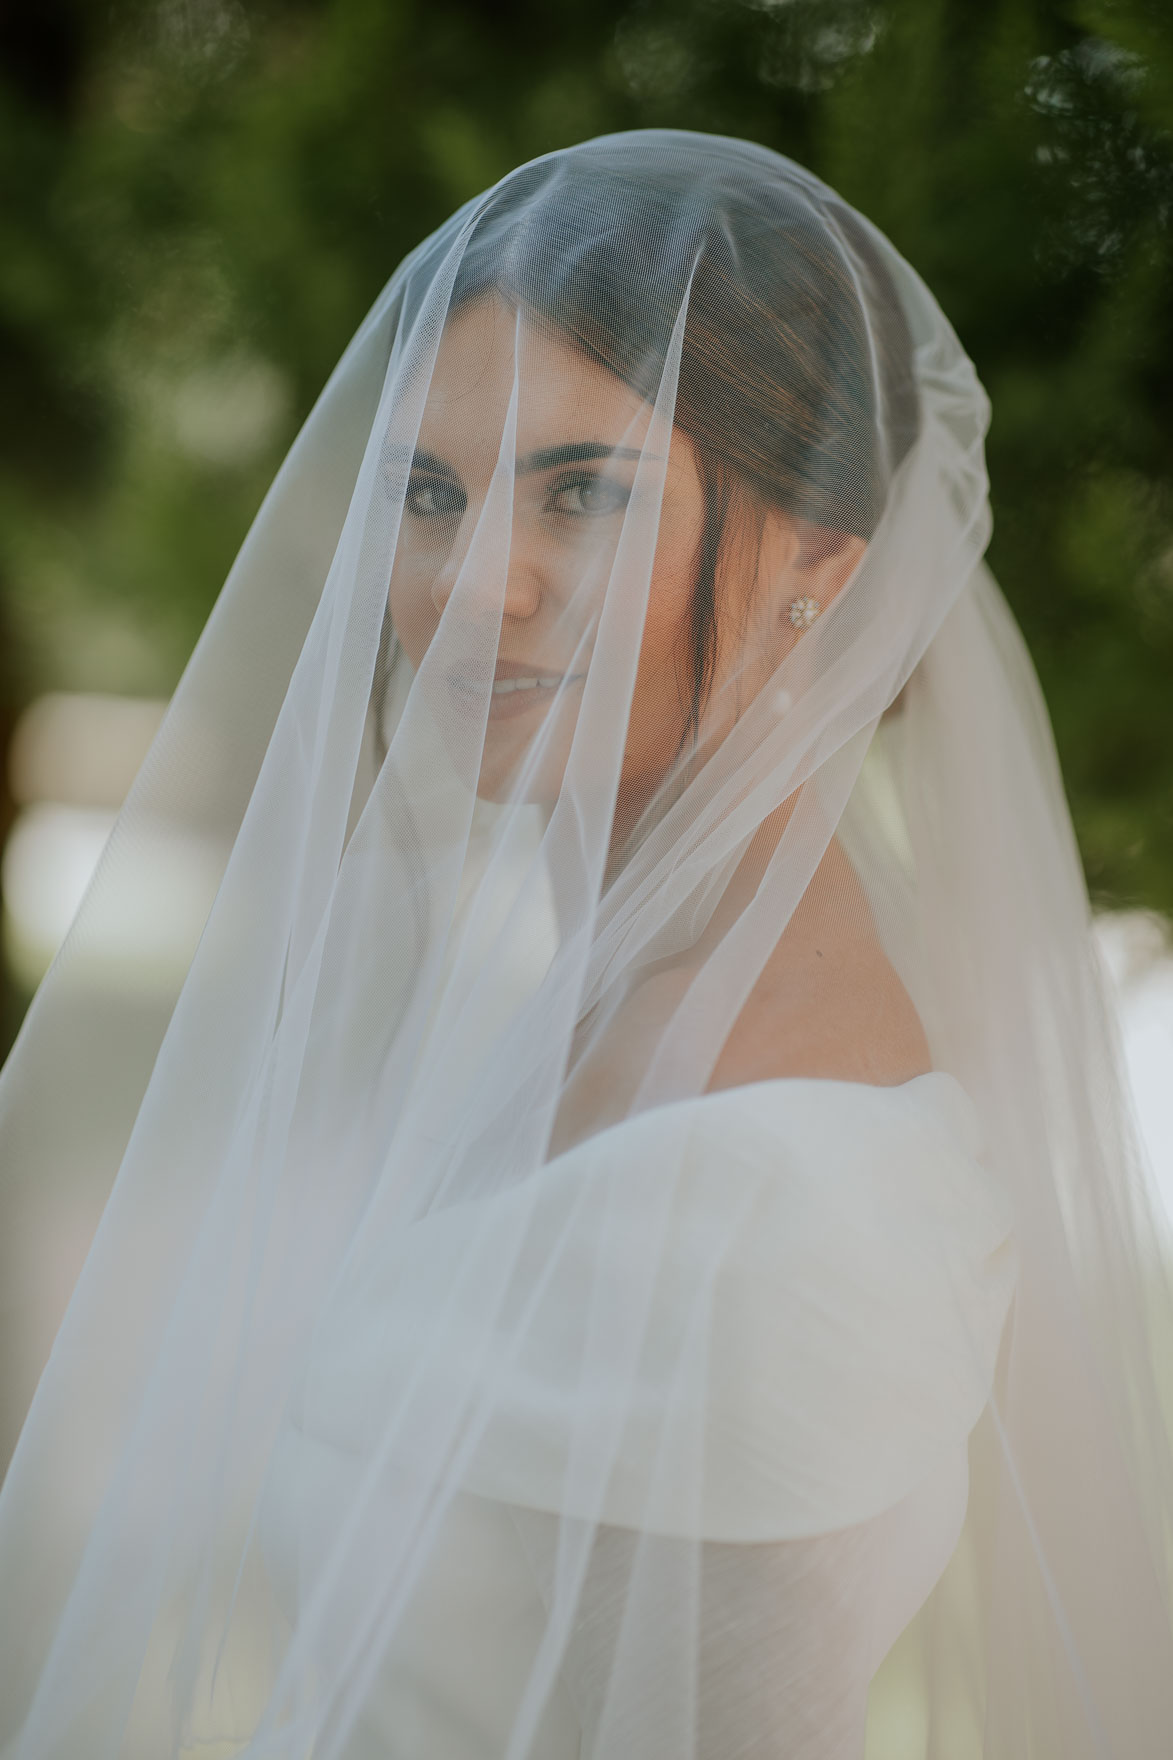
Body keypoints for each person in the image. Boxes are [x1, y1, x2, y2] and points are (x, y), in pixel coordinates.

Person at [0, 129, 1171, 1759]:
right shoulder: (587, 1006)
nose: (477, 583)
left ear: (819, 573)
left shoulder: (784, 1209)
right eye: (429, 493)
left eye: (584, 493)